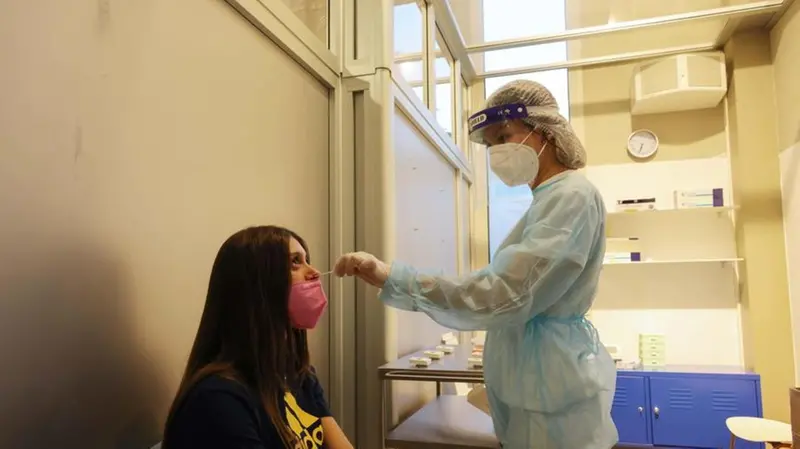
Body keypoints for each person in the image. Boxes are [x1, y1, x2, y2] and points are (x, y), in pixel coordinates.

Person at [334, 80, 618, 449]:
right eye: (490, 145)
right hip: (537, 383)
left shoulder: (571, 195)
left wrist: (394, 277)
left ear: (544, 130)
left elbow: (507, 293)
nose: (496, 152)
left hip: (549, 393)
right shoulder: (548, 199)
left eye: (503, 136)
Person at [162, 226, 353, 449]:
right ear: (258, 283)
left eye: (306, 259)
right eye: (295, 262)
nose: (314, 272)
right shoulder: (219, 399)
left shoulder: (298, 373)